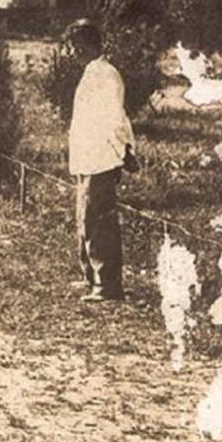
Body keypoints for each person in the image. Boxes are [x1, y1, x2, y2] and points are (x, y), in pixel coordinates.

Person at [65, 20, 135, 302]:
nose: (71, 53)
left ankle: (107, 285)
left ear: (82, 45)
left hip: (101, 158)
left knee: (99, 221)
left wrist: (123, 152)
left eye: (72, 47)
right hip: (86, 157)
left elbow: (116, 118)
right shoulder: (92, 73)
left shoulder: (106, 75)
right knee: (85, 218)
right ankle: (91, 277)